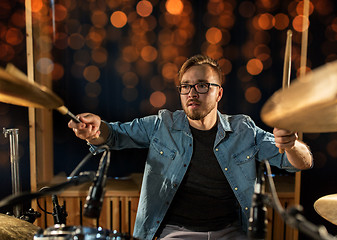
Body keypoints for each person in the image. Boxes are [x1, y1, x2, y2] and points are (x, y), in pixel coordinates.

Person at [68, 54, 313, 240]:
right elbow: (114, 135)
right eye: (185, 86)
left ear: (218, 94)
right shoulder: (162, 124)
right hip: (175, 234)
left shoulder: (243, 130)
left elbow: (301, 163)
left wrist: (292, 144)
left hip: (230, 233)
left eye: (202, 85)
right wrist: (96, 129)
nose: (191, 93)